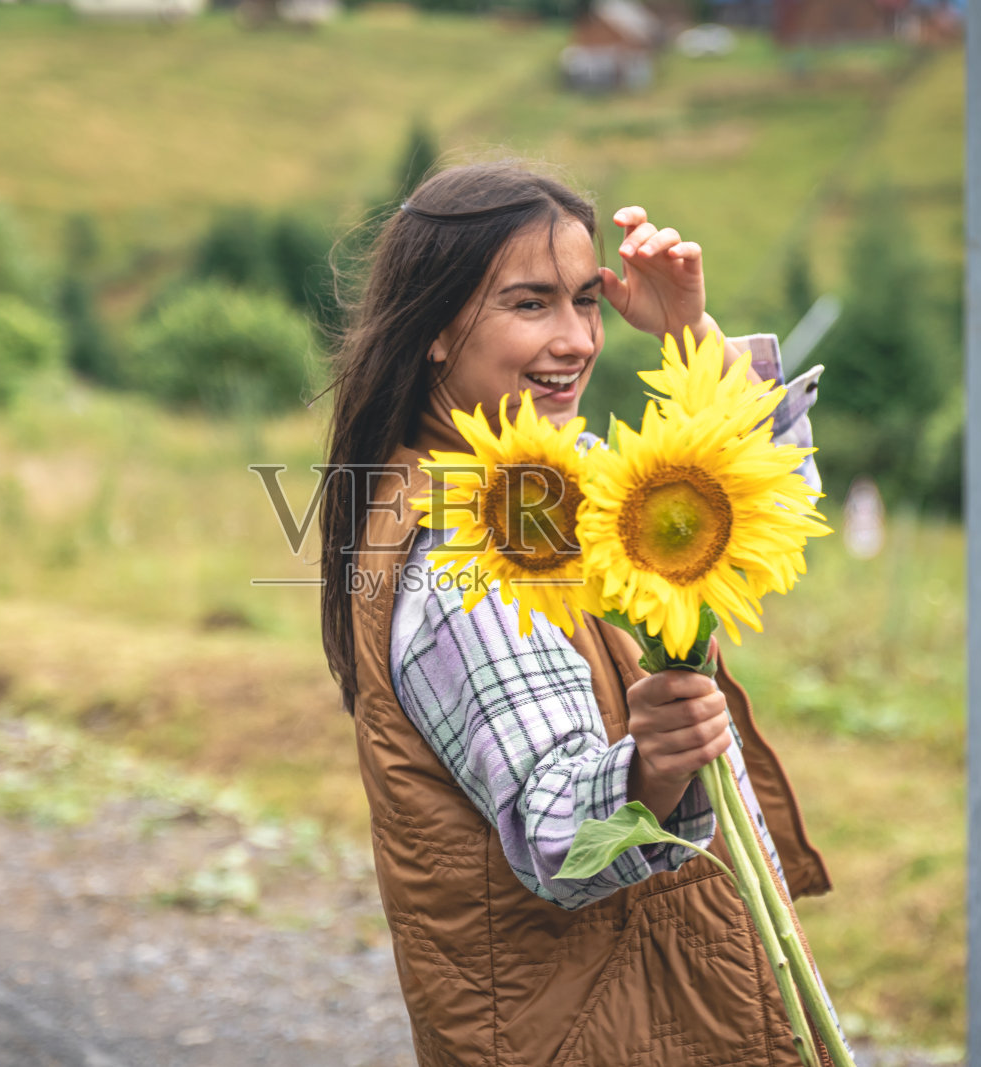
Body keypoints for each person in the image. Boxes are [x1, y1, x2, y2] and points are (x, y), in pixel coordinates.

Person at [318, 162, 839, 1067]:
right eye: (530, 305)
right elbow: (562, 838)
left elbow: (775, 496)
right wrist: (649, 769)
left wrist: (691, 336)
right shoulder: (461, 548)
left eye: (586, 300)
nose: (576, 339)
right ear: (438, 329)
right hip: (602, 1032)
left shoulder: (544, 481)